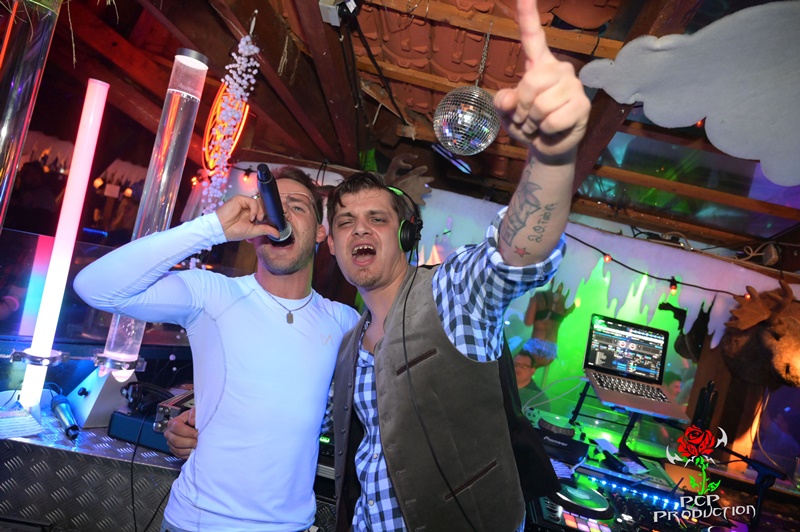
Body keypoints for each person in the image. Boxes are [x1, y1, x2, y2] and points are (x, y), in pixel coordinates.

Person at [324, 0, 590, 528]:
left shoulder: (450, 296)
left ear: (405, 234)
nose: (359, 229)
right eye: (345, 221)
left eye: (376, 218)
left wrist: (554, 153)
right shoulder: (349, 339)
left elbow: (513, 256)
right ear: (331, 245)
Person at [73, 167, 360, 532]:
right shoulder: (213, 294)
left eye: (298, 207)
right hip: (198, 521)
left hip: (290, 525)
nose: (282, 215)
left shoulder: (343, 321)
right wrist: (213, 228)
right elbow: (96, 287)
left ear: (320, 231)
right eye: (272, 206)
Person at [514, 340, 552, 413]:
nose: (518, 368)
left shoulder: (539, 398)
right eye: (516, 364)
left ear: (533, 370)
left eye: (524, 366)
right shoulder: (501, 386)